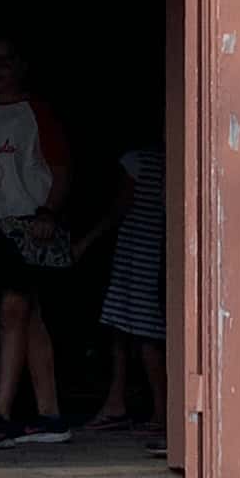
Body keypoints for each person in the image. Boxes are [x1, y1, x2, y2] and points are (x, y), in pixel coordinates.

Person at [0, 34, 76, 450]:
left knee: (13, 311)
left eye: (6, 59)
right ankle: (50, 415)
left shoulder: (37, 113)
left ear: (22, 65)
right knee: (30, 317)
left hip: (29, 227)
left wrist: (49, 213)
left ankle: (1, 415)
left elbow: (60, 169)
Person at [86, 145, 168, 434]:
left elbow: (118, 210)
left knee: (146, 333)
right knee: (123, 327)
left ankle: (161, 411)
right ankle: (117, 402)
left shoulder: (136, 161)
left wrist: (84, 242)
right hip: (151, 251)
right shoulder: (168, 157)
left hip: (140, 251)